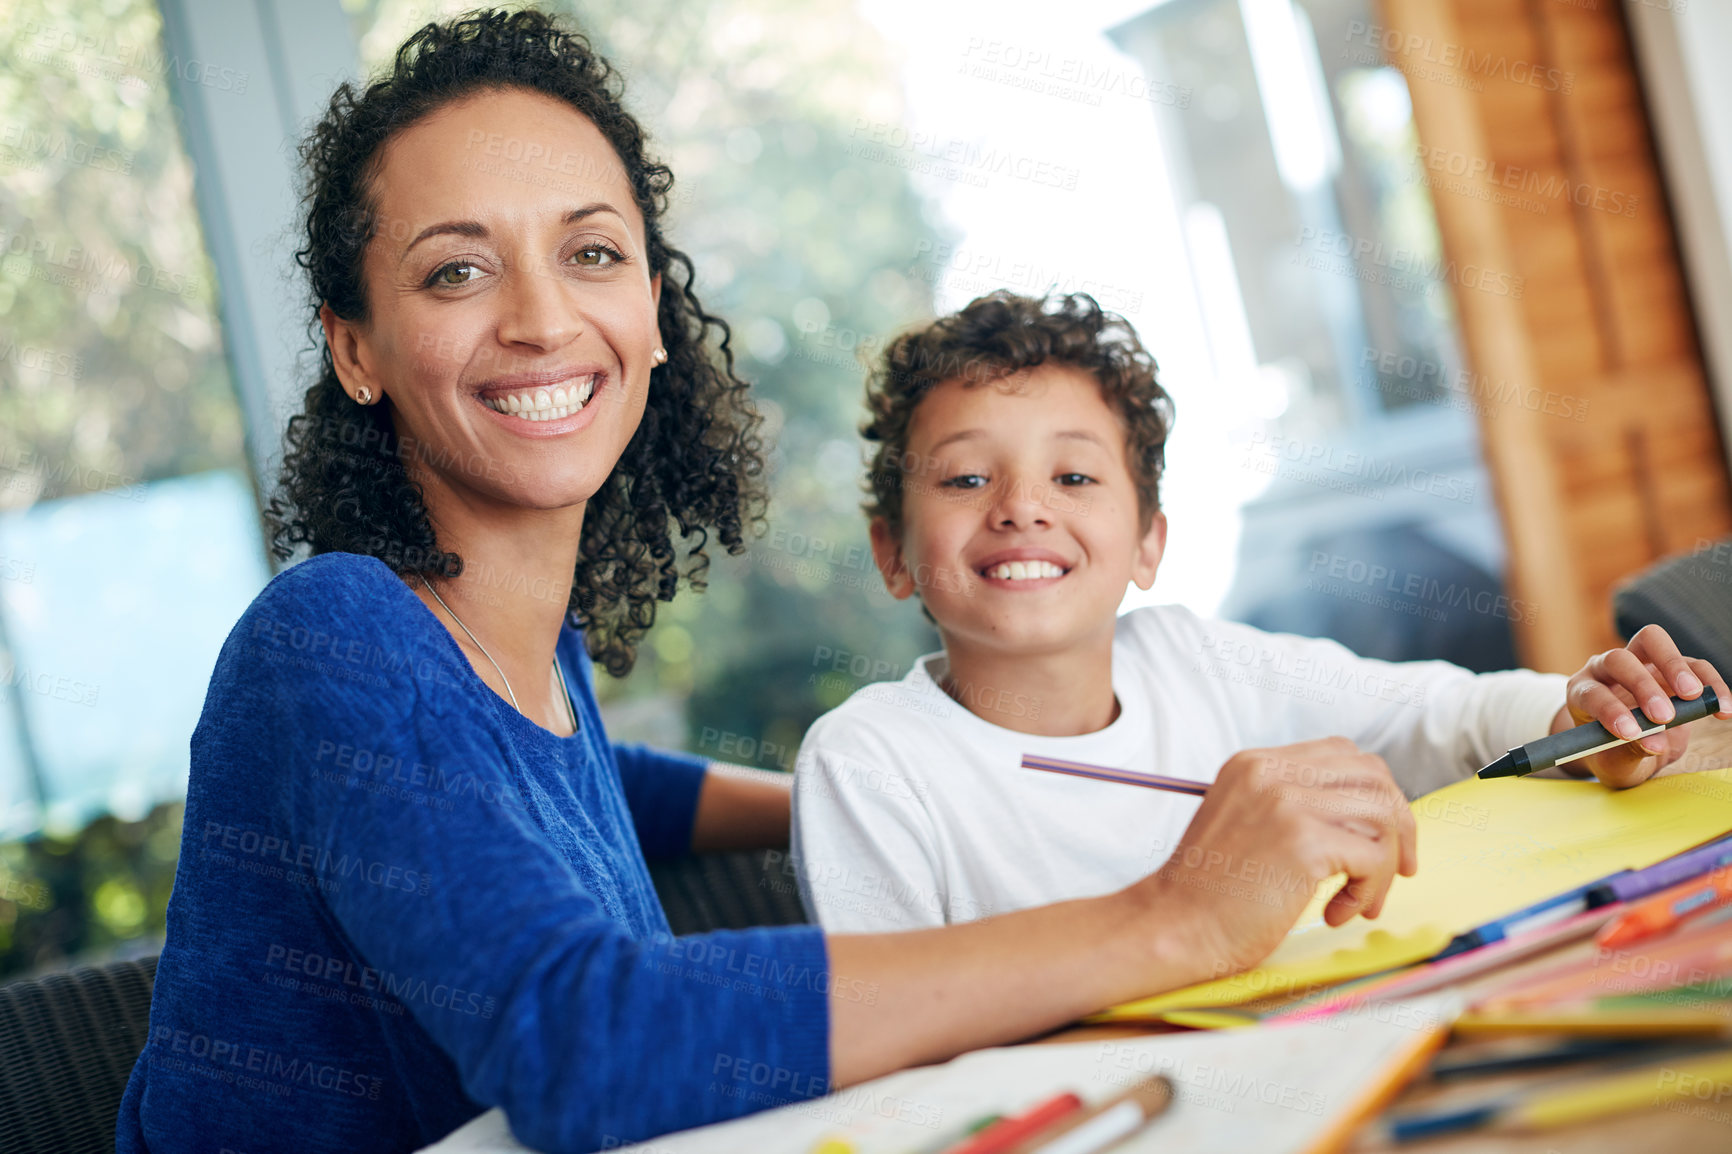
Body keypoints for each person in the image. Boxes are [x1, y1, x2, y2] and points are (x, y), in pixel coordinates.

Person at [114, 11, 1492, 1153]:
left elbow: (579, 792)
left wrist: (893, 777)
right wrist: (1169, 917)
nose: (542, 317)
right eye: (458, 269)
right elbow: (583, 1040)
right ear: (354, 347)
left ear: (652, 312)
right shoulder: (330, 633)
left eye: (591, 251)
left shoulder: (530, 657)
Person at [791, 291, 1732, 932]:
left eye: (1074, 474)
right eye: (964, 476)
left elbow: (1441, 718)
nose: (1022, 506)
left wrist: (1579, 716)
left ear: (1151, 543)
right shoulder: (868, 765)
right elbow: (881, 1028)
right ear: (892, 552)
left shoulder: (1195, 662)